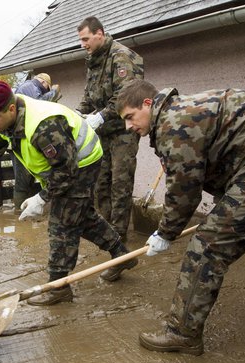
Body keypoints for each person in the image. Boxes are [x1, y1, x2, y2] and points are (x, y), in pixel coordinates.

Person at [116, 79, 245, 355]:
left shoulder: (174, 124)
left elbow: (184, 192)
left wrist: (165, 233)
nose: (128, 126)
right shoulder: (180, 111)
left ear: (148, 104)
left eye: (129, 116)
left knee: (207, 245)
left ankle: (182, 333)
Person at [0, 81, 138, 306]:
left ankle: (58, 287)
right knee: (82, 217)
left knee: (62, 224)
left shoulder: (44, 125)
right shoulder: (0, 122)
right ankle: (121, 255)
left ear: (11, 109)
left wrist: (42, 198)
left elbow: (66, 171)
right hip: (61, 167)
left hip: (82, 164)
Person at [76, 16, 144, 242]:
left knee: (120, 185)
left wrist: (99, 117)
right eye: (81, 40)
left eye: (86, 39)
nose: (83, 44)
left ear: (100, 34)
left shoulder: (121, 56)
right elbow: (88, 96)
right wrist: (78, 115)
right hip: (102, 134)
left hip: (123, 131)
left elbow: (126, 96)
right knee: (101, 185)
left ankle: (120, 239)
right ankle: (108, 234)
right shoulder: (94, 61)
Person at [11, 73, 62, 210]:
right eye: (47, 88)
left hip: (26, 140)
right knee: (23, 183)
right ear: (44, 83)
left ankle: (26, 214)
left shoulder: (28, 87)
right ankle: (20, 215)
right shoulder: (30, 86)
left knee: (28, 182)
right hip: (23, 141)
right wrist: (53, 93)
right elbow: (39, 104)